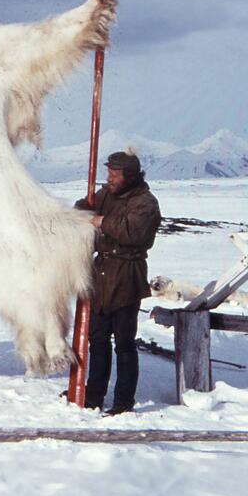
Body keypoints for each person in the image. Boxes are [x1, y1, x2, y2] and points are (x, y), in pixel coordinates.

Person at [74, 149, 161, 415]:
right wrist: (81, 210)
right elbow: (86, 207)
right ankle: (94, 394)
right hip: (102, 276)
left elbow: (132, 231)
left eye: (115, 174)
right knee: (97, 340)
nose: (109, 178)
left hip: (126, 275)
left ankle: (123, 401)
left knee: (124, 343)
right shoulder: (106, 195)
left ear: (130, 176)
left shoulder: (145, 202)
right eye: (108, 172)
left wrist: (101, 221)